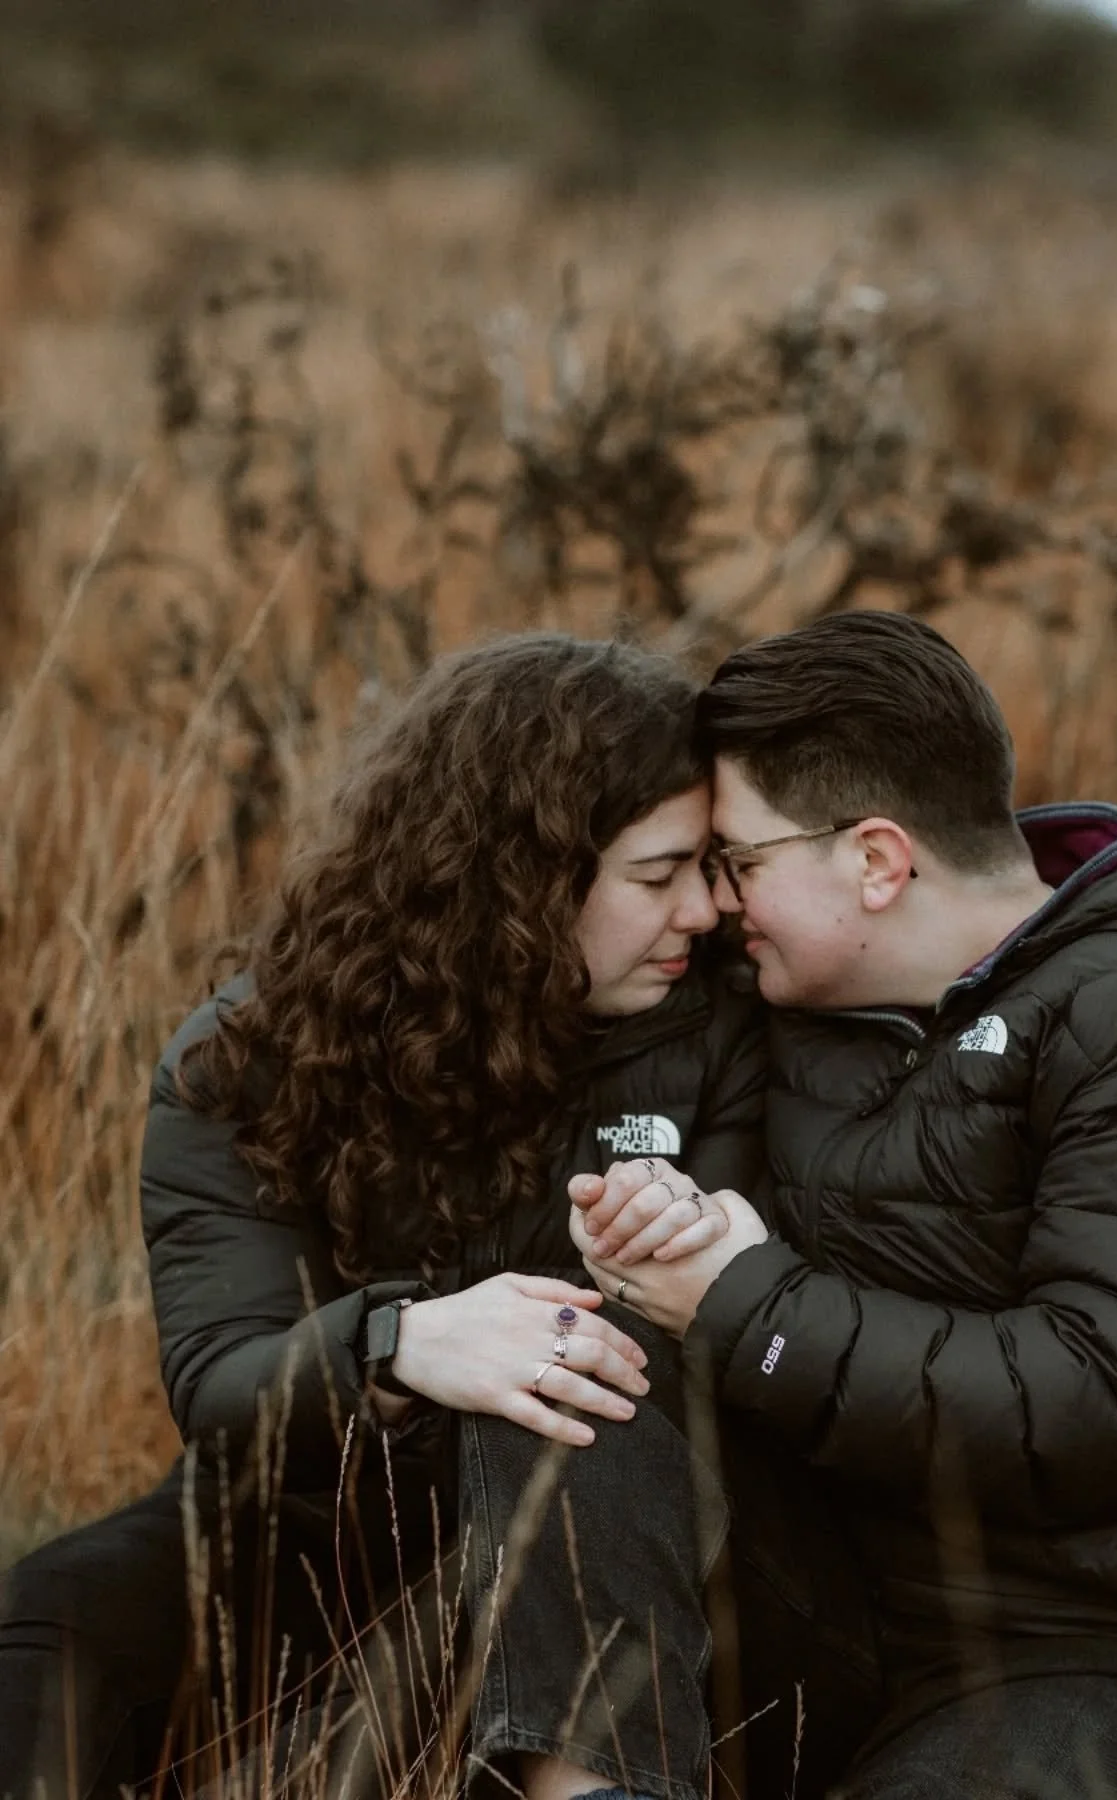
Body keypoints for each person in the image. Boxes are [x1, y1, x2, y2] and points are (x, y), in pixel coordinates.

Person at [573, 609, 1117, 1800]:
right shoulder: (792, 1006)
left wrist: (749, 1303)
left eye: (739, 863)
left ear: (879, 861)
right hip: (857, 1607)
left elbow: (1107, 1399)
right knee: (559, 1375)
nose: (717, 904)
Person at [0, 633, 766, 1800]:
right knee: (47, 1636)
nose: (706, 910)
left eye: (709, 866)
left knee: (538, 1480)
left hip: (592, 1530)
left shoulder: (721, 1035)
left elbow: (730, 1360)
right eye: (659, 876)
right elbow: (220, 1385)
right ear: (525, 876)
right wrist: (396, 1343)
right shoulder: (253, 1054)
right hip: (307, 1522)